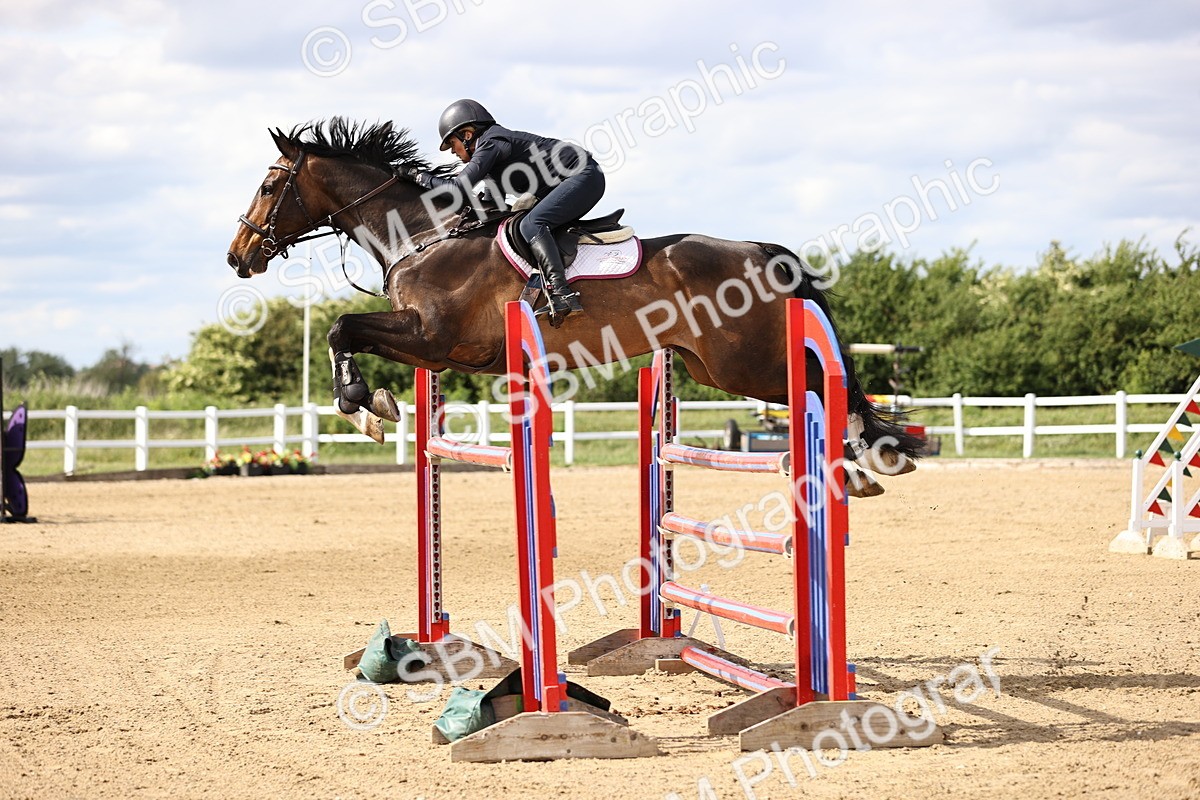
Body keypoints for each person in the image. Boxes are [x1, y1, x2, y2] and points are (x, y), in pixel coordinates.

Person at [402, 99, 605, 323]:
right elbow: (493, 208)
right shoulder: (493, 157)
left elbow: (458, 188)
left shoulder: (492, 143)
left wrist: (417, 176)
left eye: (452, 144)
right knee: (517, 224)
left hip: (583, 176)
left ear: (467, 135)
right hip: (571, 180)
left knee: (531, 224)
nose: (453, 152)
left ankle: (562, 294)